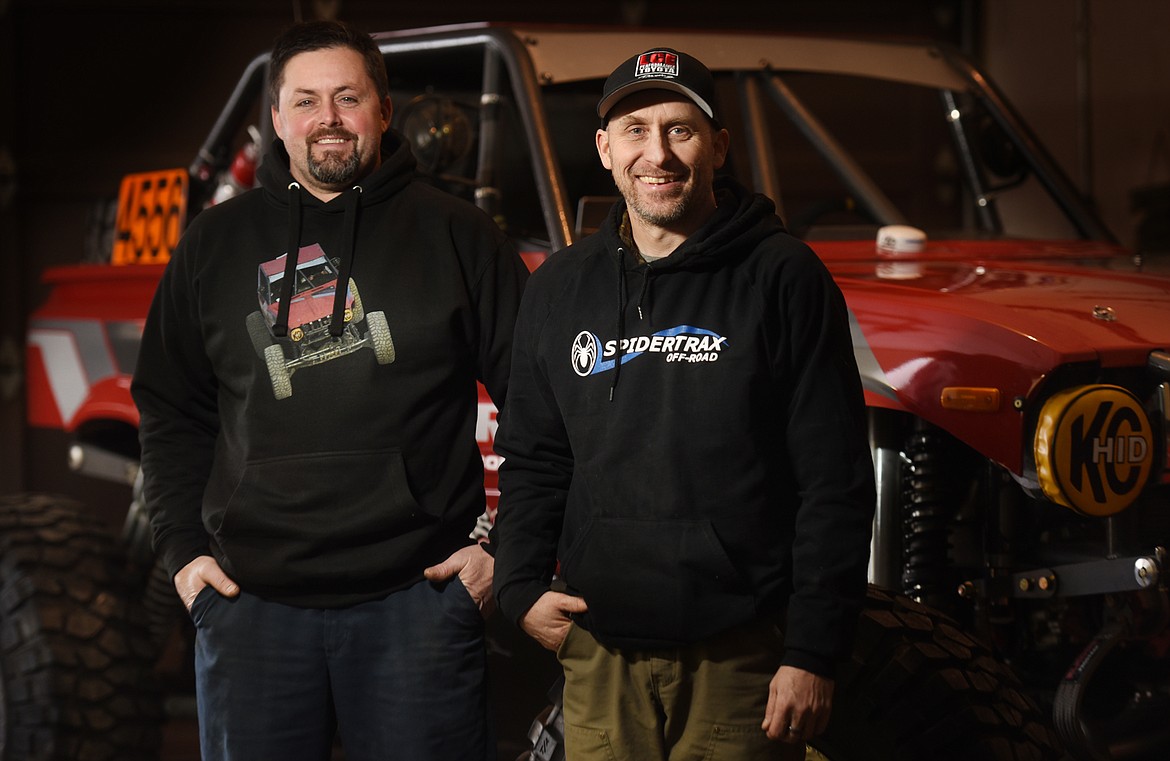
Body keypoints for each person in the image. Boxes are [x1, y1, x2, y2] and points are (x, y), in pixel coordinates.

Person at [131, 20, 528, 761]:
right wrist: (184, 552)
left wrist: (502, 554)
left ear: (382, 108)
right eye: (306, 101)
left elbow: (540, 410)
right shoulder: (212, 245)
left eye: (348, 97)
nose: (329, 119)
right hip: (251, 608)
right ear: (278, 120)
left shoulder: (460, 235)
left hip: (421, 602)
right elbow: (170, 407)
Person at [492, 47, 875, 760]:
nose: (657, 154)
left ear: (718, 146)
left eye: (681, 129)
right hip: (599, 652)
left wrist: (814, 650)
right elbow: (536, 457)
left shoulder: (783, 276)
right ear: (605, 149)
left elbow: (836, 479)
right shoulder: (561, 286)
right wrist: (517, 587)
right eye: (635, 130)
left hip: (739, 656)